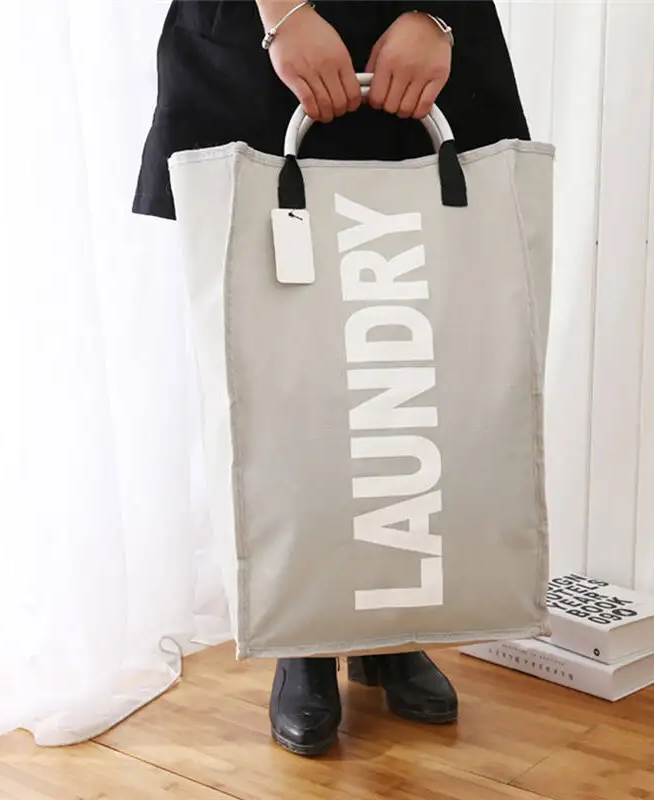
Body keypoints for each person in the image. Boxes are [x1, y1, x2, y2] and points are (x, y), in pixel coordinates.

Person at [132, 0, 530, 757]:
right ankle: (305, 634)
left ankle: (395, 628)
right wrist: (283, 13)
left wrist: (437, 13)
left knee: (418, 353)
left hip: (425, 42)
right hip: (259, 39)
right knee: (285, 369)